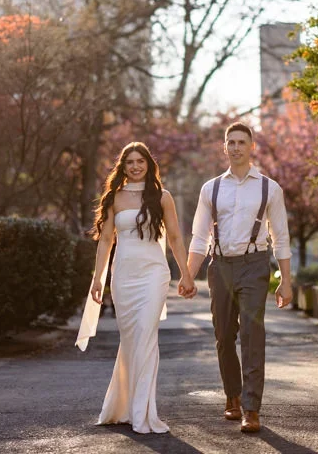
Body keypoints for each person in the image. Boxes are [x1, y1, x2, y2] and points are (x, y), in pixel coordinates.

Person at [75, 142, 197, 434]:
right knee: (131, 341)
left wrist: (187, 274)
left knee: (146, 335)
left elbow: (176, 239)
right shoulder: (114, 199)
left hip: (154, 274)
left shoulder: (163, 197)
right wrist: (97, 279)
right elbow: (105, 241)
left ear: (148, 164)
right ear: (123, 167)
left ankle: (143, 412)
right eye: (129, 162)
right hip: (124, 276)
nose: (135, 166)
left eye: (140, 161)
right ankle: (125, 407)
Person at [186, 122, 293, 434]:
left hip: (255, 265)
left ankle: (251, 407)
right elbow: (198, 238)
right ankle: (231, 396)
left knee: (251, 334)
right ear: (224, 148)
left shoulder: (269, 188)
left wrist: (286, 281)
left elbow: (281, 238)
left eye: (241, 142)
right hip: (219, 266)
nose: (235, 148)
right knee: (223, 335)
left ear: (252, 147)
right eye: (230, 142)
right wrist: (189, 276)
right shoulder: (211, 189)